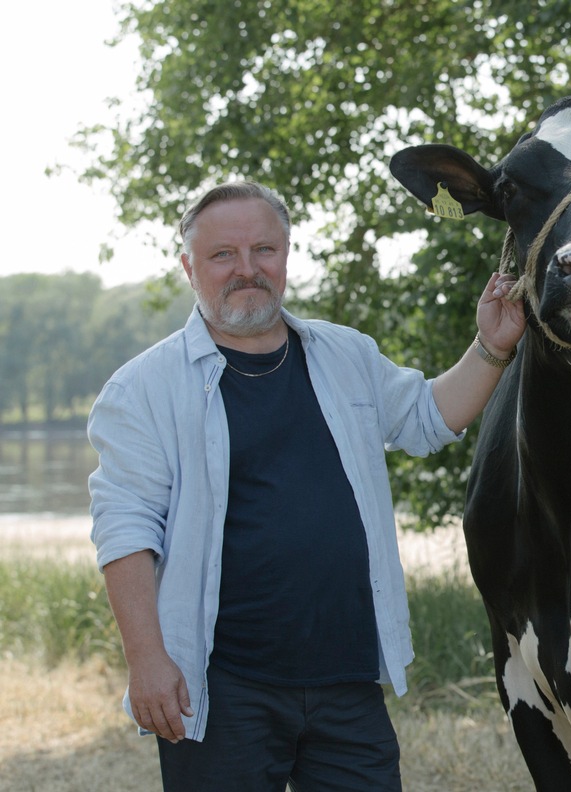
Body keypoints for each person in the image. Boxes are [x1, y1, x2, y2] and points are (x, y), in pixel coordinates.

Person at [88, 180, 525, 791]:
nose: (247, 270)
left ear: (287, 256)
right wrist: (147, 660)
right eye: (223, 255)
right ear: (189, 266)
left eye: (264, 250)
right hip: (223, 688)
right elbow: (126, 530)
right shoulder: (142, 390)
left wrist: (492, 345)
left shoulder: (344, 354)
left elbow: (428, 419)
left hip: (346, 680)